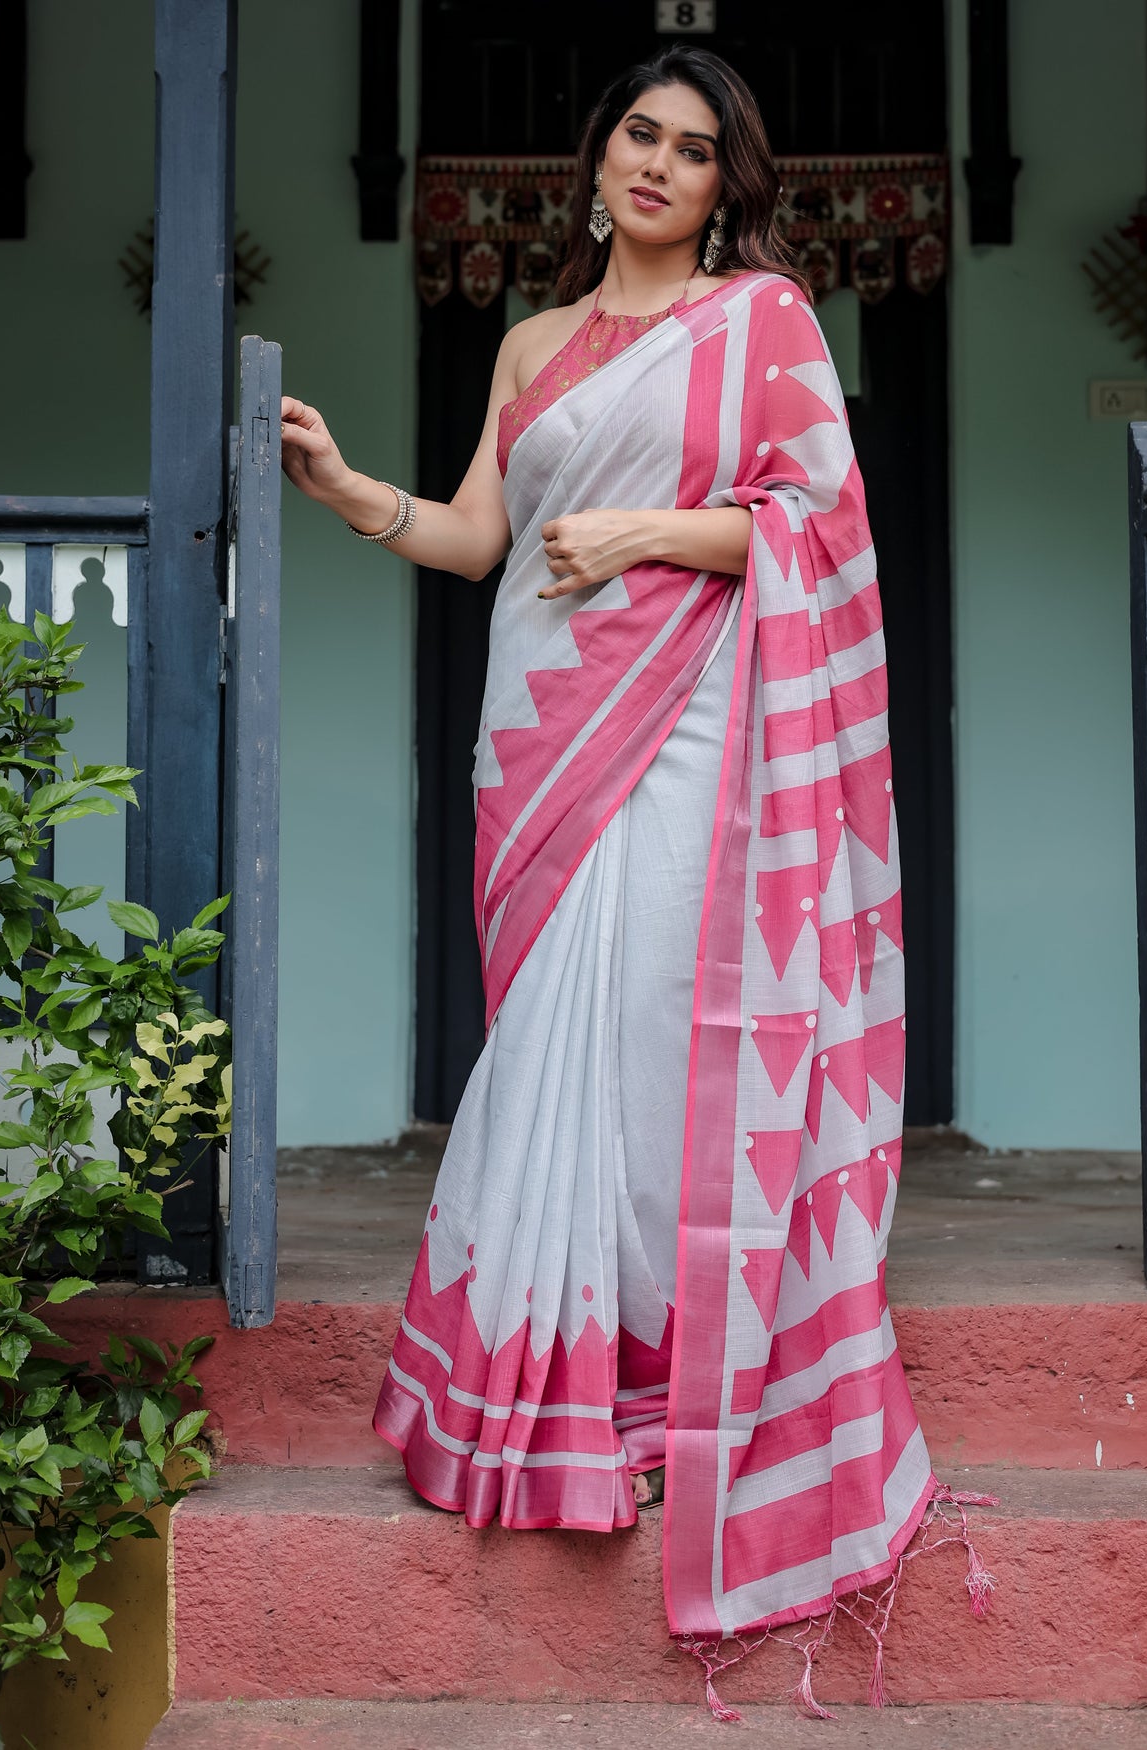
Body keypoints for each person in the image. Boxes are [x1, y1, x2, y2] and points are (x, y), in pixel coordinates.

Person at [279, 43, 989, 1715]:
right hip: (531, 733)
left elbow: (823, 525)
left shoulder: (769, 324)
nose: (659, 166)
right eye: (638, 137)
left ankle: (677, 1394)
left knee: (668, 1033)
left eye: (693, 149)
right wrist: (346, 490)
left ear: (728, 181)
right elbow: (481, 534)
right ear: (594, 160)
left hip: (689, 729)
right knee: (546, 1048)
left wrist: (653, 536)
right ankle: (541, 1393)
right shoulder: (531, 343)